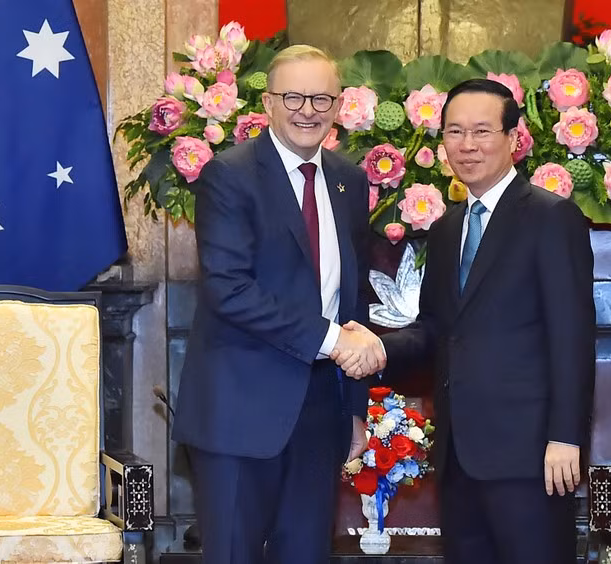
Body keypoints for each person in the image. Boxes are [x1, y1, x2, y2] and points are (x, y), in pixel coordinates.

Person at [335, 78, 596, 564]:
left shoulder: (551, 217)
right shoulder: (446, 226)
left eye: (481, 131)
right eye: (455, 132)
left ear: (513, 138)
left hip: (531, 454)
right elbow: (437, 328)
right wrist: (379, 345)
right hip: (458, 456)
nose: (467, 145)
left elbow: (572, 337)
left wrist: (566, 436)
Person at [172, 45, 385, 564]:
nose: (307, 109)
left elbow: (351, 295)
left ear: (338, 107)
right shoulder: (229, 176)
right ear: (267, 103)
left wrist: (355, 411)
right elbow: (230, 289)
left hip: (320, 410)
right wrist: (337, 342)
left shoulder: (349, 181)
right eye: (293, 96)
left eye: (321, 98)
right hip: (240, 410)